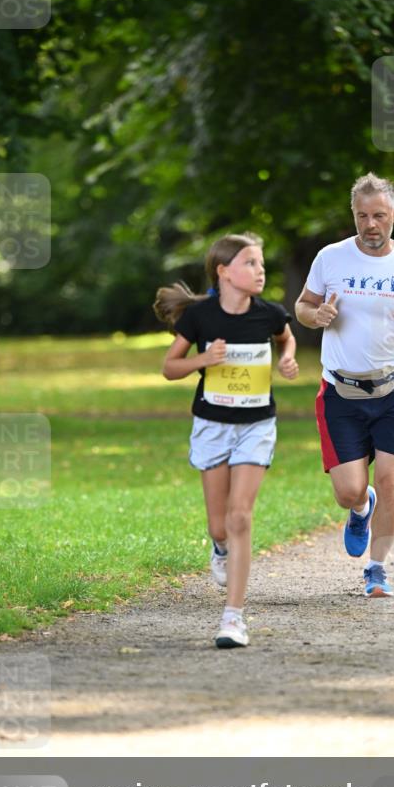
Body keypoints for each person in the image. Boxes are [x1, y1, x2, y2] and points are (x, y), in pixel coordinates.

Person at [295, 173, 394, 598]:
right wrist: (315, 317)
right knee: (348, 491)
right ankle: (361, 509)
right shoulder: (331, 258)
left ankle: (376, 570)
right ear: (354, 215)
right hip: (341, 391)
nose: (371, 225)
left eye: (379, 215)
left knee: (391, 480)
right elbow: (303, 306)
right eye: (363, 216)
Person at [154, 233, 299, 648]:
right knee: (219, 525)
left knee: (240, 518)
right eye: (250, 263)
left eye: (262, 264)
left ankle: (233, 618)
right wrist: (204, 359)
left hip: (256, 425)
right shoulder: (201, 318)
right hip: (212, 426)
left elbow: (285, 335)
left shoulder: (270, 313)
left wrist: (287, 356)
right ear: (224, 272)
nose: (260, 271)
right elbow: (169, 367)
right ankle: (219, 547)